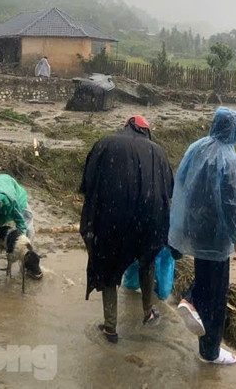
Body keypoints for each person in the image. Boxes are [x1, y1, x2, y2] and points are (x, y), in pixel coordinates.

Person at [79, 115, 174, 343]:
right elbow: (169, 189)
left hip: (113, 216)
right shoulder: (158, 152)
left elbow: (88, 183)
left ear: (127, 127)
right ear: (145, 131)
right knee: (146, 259)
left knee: (108, 264)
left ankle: (110, 327)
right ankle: (148, 312)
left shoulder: (105, 143)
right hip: (148, 219)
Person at [169, 107, 236, 365]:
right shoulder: (228, 158)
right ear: (234, 129)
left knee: (206, 277)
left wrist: (182, 223)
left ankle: (192, 300)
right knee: (216, 295)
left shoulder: (198, 148)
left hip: (196, 227)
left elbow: (181, 182)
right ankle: (210, 351)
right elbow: (233, 203)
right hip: (217, 234)